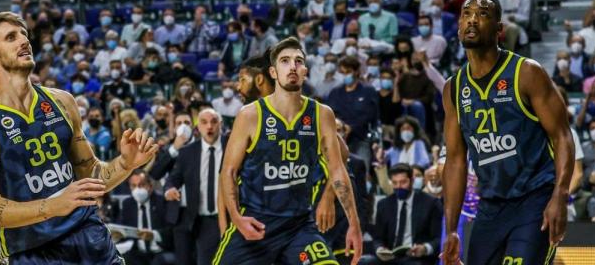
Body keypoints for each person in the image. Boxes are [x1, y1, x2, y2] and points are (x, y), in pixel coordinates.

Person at [0, 12, 159, 263]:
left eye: (24, 34)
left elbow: (90, 176)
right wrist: (54, 206)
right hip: (33, 249)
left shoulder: (62, 100)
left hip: (89, 235)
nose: (24, 41)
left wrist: (125, 163)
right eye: (11, 37)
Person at [441, 0, 574, 265]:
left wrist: (560, 195)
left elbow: (562, 136)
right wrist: (452, 228)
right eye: (466, 14)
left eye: (483, 14)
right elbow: (455, 160)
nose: (473, 20)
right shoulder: (453, 88)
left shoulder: (526, 72)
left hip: (534, 199)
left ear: (499, 29)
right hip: (490, 205)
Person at [215, 37, 363, 265]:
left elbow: (337, 168)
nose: (292, 66)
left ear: (305, 71)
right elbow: (228, 172)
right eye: (285, 61)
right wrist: (236, 217)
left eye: (298, 61)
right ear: (273, 72)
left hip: (299, 226)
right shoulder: (250, 114)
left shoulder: (321, 114)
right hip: (257, 222)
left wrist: (354, 224)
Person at [160, 108, 225, 265]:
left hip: (230, 218)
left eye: (214, 122)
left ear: (220, 125)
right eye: (204, 122)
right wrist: (170, 189)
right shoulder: (187, 153)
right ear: (198, 128)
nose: (209, 126)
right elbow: (174, 178)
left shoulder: (232, 147)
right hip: (203, 221)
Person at [368, 163, 442, 265]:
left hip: (416, 257)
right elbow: (378, 238)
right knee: (363, 261)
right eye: (394, 183)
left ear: (412, 181)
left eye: (403, 182)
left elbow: (439, 238)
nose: (399, 187)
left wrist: (425, 248)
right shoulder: (384, 204)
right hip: (390, 256)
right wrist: (380, 249)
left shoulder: (430, 203)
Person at [115, 170, 173, 265]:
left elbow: (171, 231)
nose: (137, 189)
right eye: (133, 186)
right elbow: (121, 226)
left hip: (160, 251)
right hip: (138, 252)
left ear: (150, 186)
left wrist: (153, 235)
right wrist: (116, 235)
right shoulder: (128, 204)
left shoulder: (162, 202)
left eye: (141, 185)